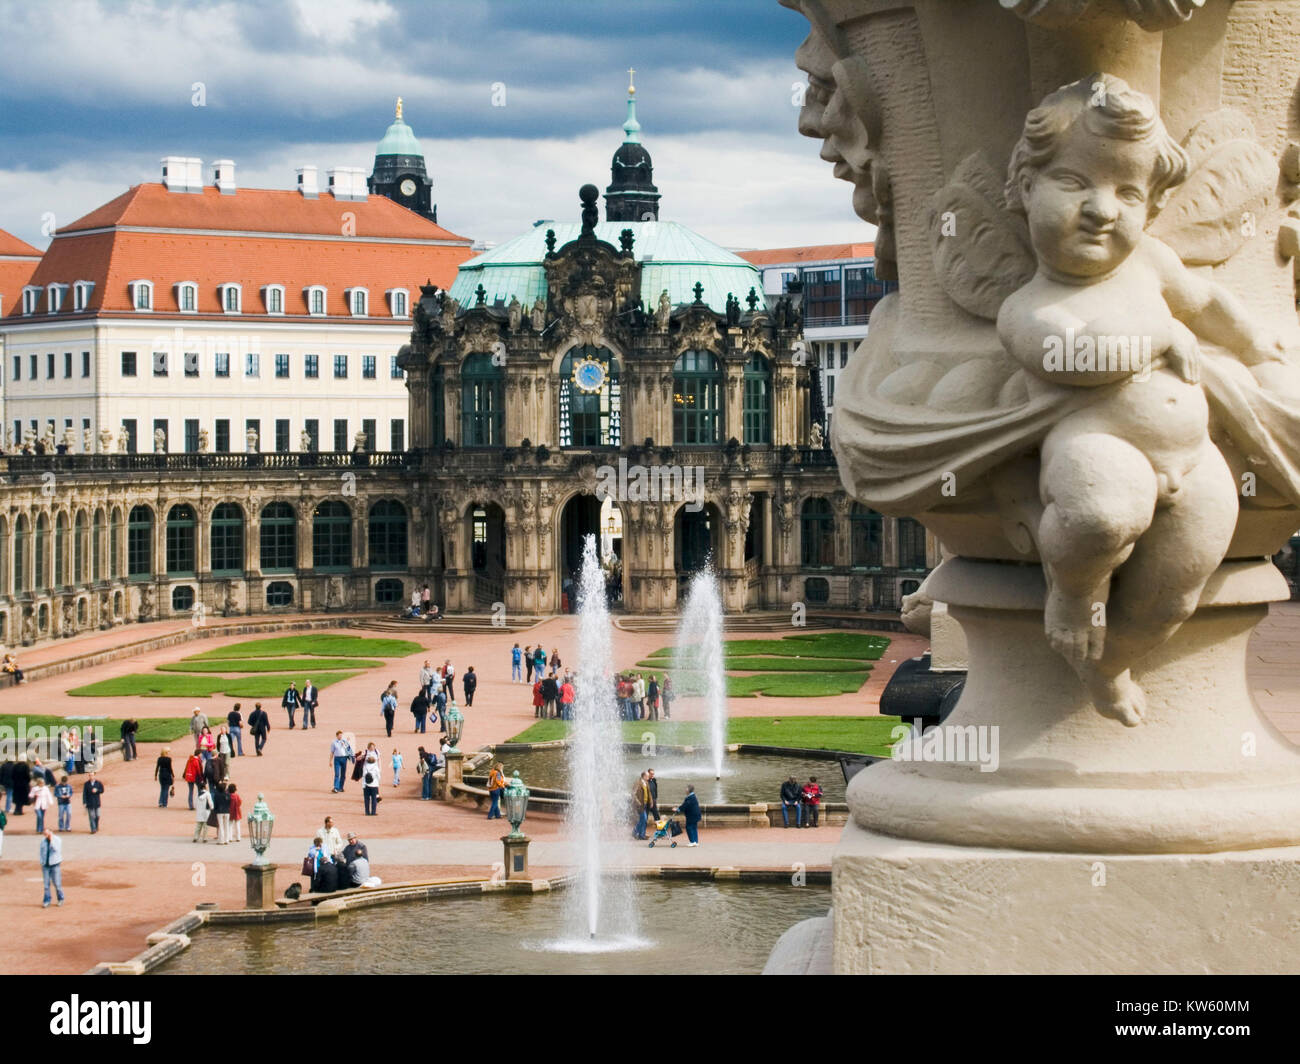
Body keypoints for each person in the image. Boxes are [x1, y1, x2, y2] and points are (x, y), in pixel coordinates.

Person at [39, 828, 64, 907]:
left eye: (47, 834)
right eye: (45, 834)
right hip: (45, 865)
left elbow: (57, 849)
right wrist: (41, 862)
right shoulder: (43, 841)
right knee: (46, 884)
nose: (46, 836)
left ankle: (60, 898)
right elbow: (41, 852)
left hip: (55, 864)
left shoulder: (57, 839)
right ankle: (47, 900)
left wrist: (51, 841)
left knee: (57, 883)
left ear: (51, 832)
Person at [631, 771, 652, 841]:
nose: (649, 777)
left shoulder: (646, 783)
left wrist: (651, 802)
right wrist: (638, 803)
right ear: (644, 776)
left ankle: (641, 835)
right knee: (644, 819)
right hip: (640, 805)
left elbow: (649, 793)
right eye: (647, 776)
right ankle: (635, 832)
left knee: (643, 820)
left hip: (645, 804)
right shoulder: (638, 783)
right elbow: (633, 794)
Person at [212, 778, 231, 844]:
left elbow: (215, 804)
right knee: (226, 826)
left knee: (221, 826)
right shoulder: (228, 795)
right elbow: (229, 803)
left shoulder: (216, 795)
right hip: (227, 811)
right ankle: (227, 840)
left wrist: (215, 810)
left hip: (219, 811)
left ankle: (221, 840)